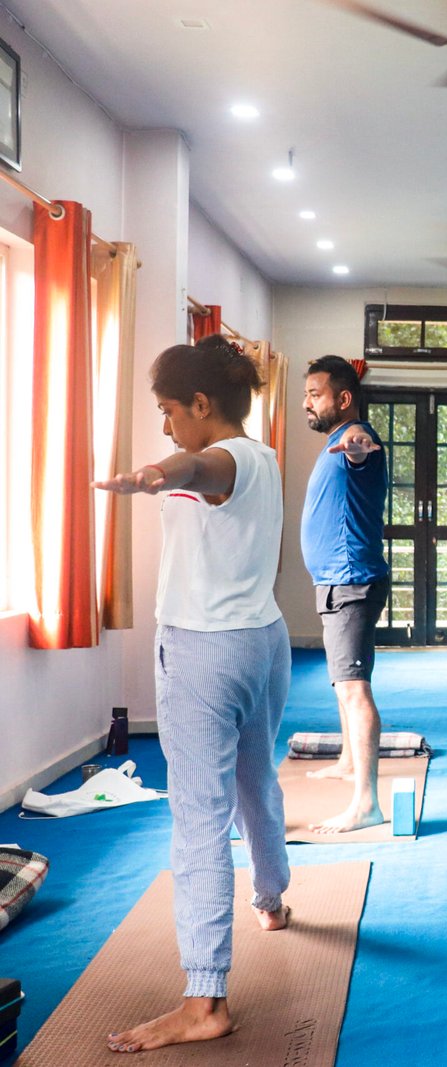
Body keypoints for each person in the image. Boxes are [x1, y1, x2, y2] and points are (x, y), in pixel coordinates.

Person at [95, 336, 292, 1053]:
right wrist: (163, 469)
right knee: (254, 778)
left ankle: (205, 998)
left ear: (202, 404)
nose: (166, 424)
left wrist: (155, 473)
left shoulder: (223, 460)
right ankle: (271, 898)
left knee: (199, 820)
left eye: (169, 410)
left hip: (204, 651)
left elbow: (200, 466)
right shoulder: (266, 455)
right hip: (262, 639)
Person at [300, 355, 390, 833]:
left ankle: (366, 804)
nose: (306, 403)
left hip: (351, 580)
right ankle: (348, 760)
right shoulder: (333, 443)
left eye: (315, 394)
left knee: (354, 688)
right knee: (342, 680)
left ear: (343, 398)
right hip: (337, 581)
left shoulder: (355, 438)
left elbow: (362, 448)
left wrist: (358, 445)